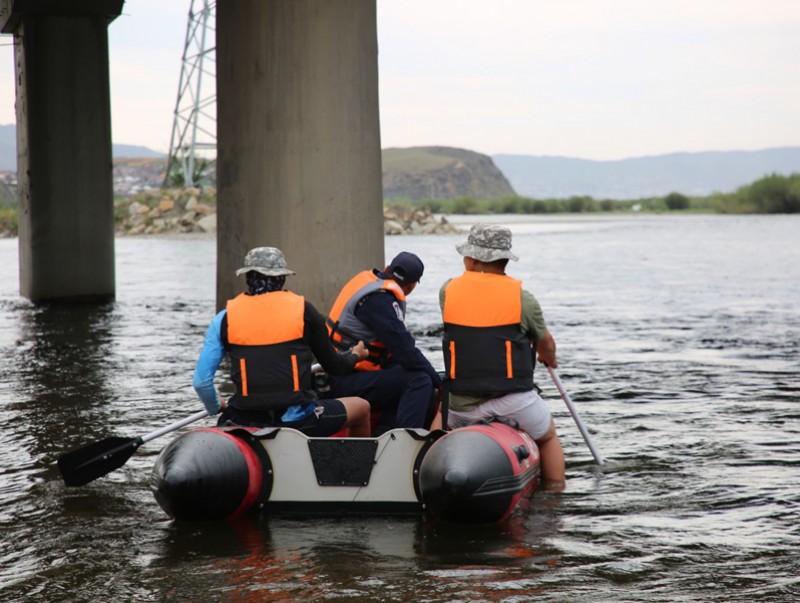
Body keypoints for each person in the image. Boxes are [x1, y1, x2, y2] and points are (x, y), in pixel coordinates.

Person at [192, 246, 371, 437]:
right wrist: (355, 355)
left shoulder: (223, 319)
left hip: (244, 419)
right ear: (281, 278)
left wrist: (215, 406)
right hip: (298, 421)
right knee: (362, 408)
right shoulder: (305, 311)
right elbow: (335, 366)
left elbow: (202, 382)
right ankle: (354, 466)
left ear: (248, 278)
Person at [439, 224, 566, 488]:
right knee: (548, 437)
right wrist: (549, 358)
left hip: (460, 407)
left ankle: (427, 467)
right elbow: (546, 344)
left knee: (435, 423)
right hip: (514, 402)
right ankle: (555, 494)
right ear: (504, 259)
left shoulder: (448, 291)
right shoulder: (523, 299)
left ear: (473, 259)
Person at [325, 251, 442, 434]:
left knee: (407, 371)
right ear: (412, 286)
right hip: (344, 380)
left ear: (388, 268)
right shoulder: (379, 301)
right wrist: (440, 384)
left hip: (339, 371)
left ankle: (384, 432)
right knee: (420, 381)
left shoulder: (367, 282)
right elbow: (405, 351)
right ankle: (404, 445)